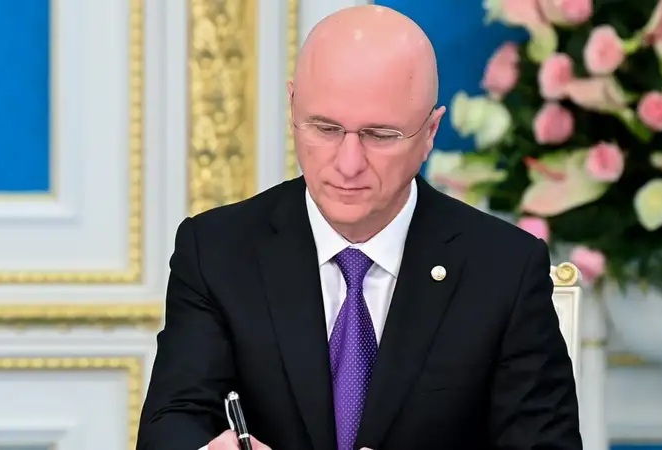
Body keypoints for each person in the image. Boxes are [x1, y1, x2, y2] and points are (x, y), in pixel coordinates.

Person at [136, 5, 581, 450]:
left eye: (380, 135)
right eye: (325, 129)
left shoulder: (505, 269)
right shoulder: (216, 250)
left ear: (430, 132)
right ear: (292, 108)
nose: (348, 165)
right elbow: (172, 422)